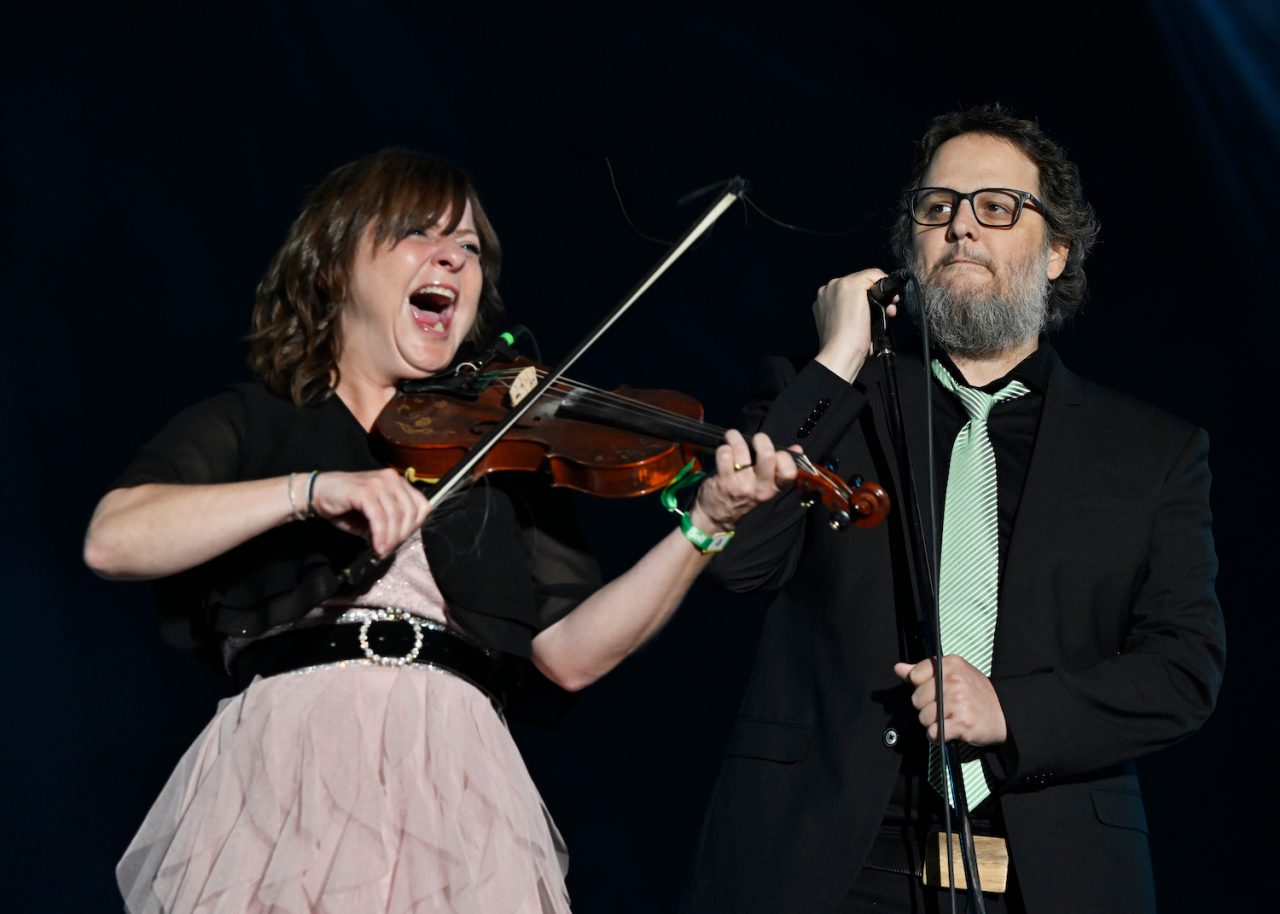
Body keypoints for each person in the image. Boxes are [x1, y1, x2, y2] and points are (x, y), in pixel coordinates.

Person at [84, 148, 796, 914]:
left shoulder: (503, 449)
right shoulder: (253, 421)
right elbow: (115, 538)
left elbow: (568, 657)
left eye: (470, 247)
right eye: (420, 234)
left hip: (455, 780)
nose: (455, 258)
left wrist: (705, 525)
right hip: (288, 764)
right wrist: (309, 491)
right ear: (332, 267)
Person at [682, 106, 1225, 914]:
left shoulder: (1151, 452)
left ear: (1056, 252)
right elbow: (740, 561)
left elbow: (1185, 669)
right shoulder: (822, 398)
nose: (961, 228)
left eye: (997, 207)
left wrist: (1014, 710)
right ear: (910, 245)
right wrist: (837, 360)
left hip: (1052, 874)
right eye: (938, 208)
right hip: (820, 863)